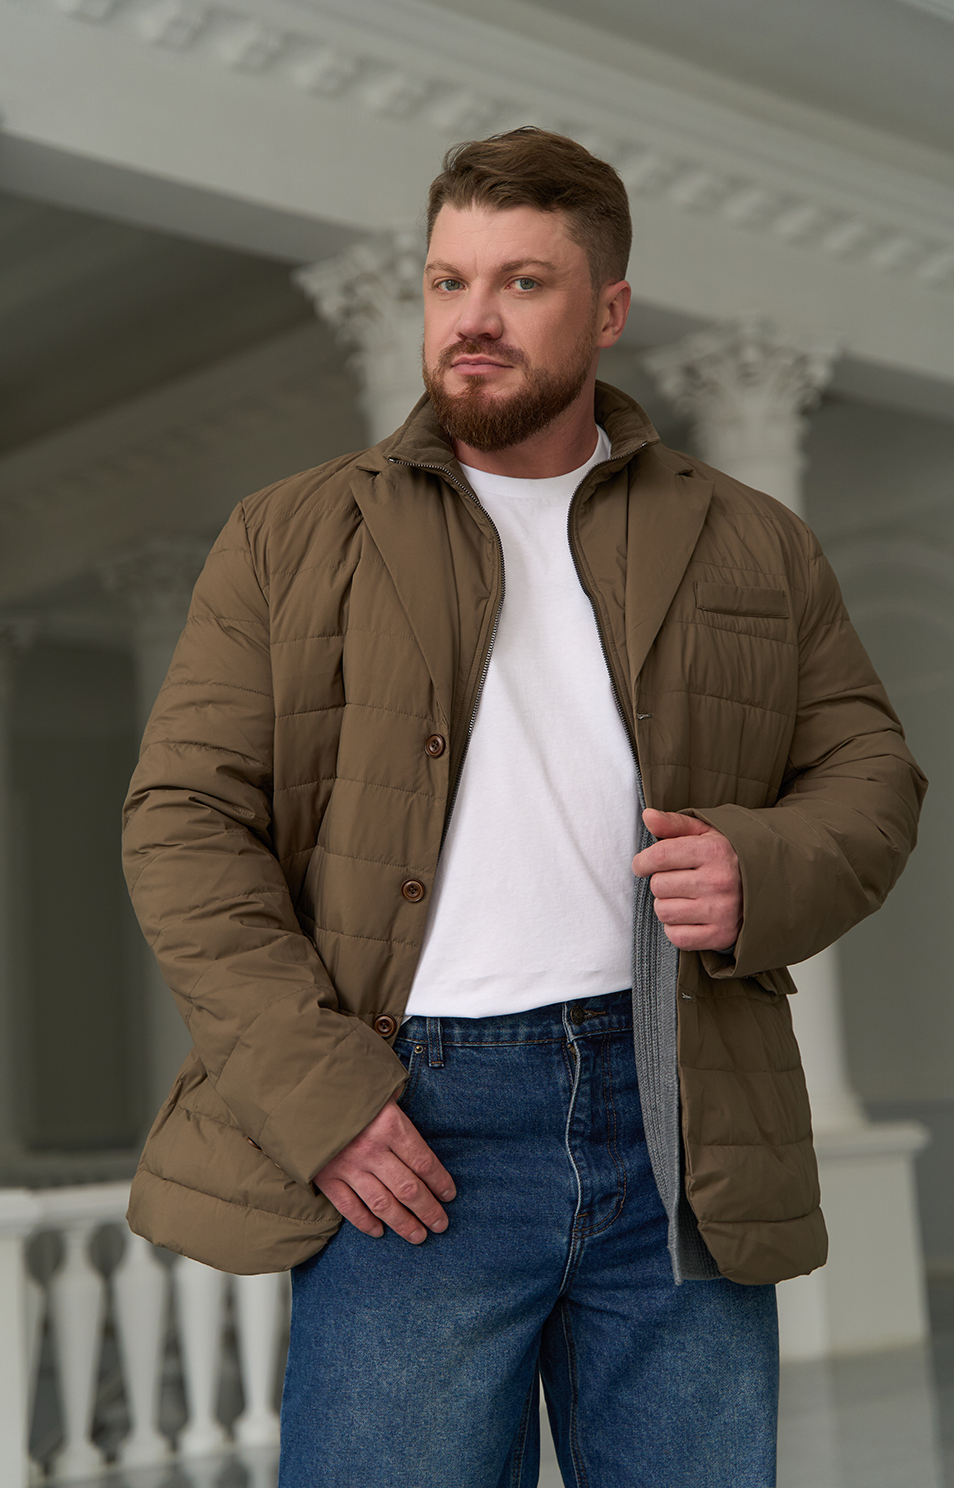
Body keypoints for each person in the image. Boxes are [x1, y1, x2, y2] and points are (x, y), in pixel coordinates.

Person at [123, 129, 926, 1487]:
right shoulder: (287, 536)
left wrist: (765, 864)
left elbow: (872, 771)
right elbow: (182, 822)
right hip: (408, 1124)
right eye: (449, 282)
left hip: (683, 1111)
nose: (473, 318)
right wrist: (322, 1097)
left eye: (522, 282)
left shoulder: (752, 540)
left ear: (608, 309)